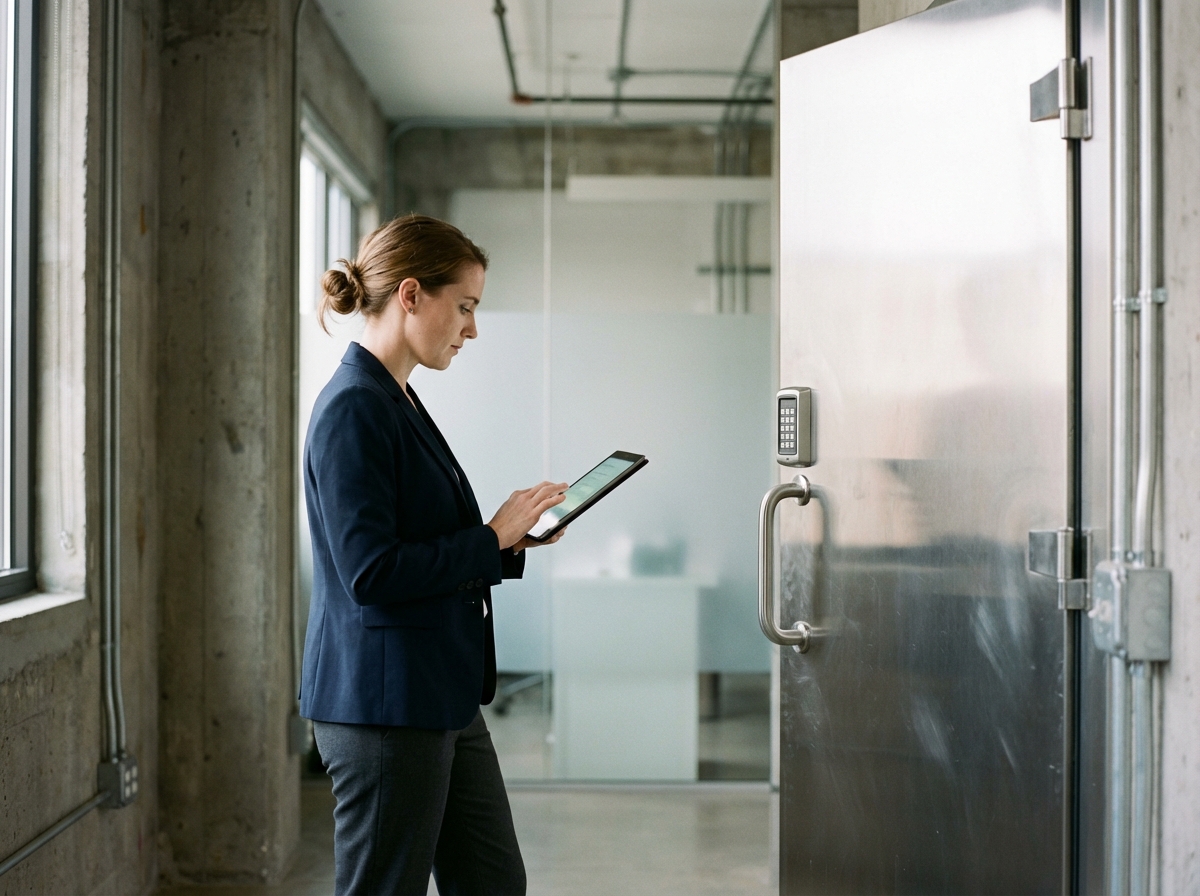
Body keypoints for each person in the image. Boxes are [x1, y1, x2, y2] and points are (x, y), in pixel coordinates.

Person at [300, 214, 567, 896]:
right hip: (384, 706)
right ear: (412, 294)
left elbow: (411, 542)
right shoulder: (354, 407)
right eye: (466, 306)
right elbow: (371, 573)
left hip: (437, 693)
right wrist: (489, 538)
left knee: (493, 882)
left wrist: (507, 544)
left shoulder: (397, 398)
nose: (472, 329)